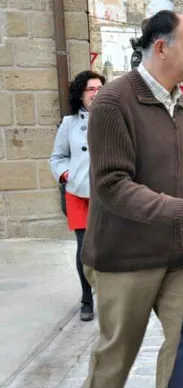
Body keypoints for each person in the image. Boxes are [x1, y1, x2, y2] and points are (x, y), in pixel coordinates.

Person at [75, 10, 183, 388]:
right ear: (161, 48)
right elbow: (111, 185)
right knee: (118, 349)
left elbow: (176, 177)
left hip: (179, 252)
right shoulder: (113, 101)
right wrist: (181, 209)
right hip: (126, 254)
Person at [49, 70, 105, 322]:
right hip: (78, 192)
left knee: (108, 247)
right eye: (91, 89)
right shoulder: (69, 123)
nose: (96, 93)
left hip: (107, 193)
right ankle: (86, 298)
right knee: (84, 248)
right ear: (80, 94)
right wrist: (67, 175)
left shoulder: (115, 118)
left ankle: (108, 294)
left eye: (100, 88)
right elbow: (57, 157)